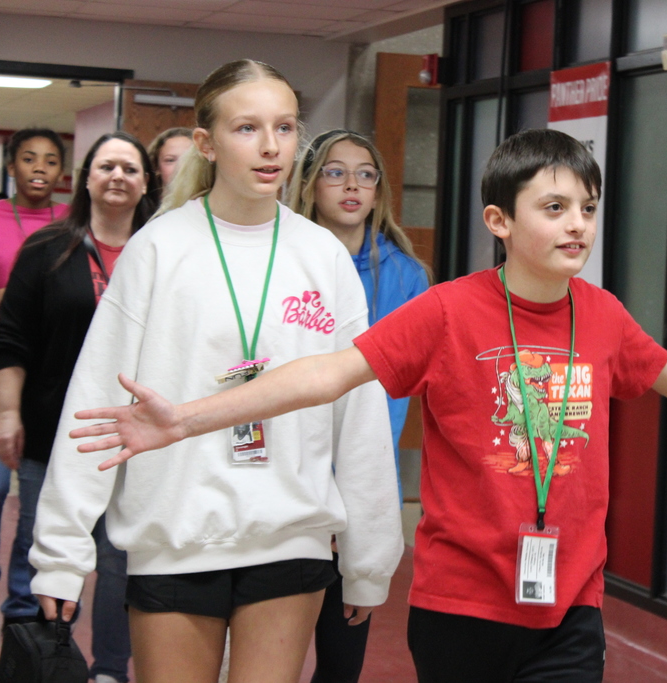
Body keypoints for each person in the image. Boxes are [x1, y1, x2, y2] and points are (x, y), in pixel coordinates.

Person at [69, 129, 667, 682]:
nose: (578, 225)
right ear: (499, 222)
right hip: (462, 600)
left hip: (570, 601)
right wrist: (190, 418)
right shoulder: (446, 312)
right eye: (556, 206)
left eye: (588, 209)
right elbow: (328, 374)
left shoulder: (600, 314)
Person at [28, 60, 403, 683]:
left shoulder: (323, 257)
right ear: (206, 142)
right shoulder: (158, 248)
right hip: (176, 536)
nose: (269, 147)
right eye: (246, 128)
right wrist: (62, 553)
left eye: (285, 128)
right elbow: (95, 403)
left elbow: (358, 414)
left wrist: (369, 556)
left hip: (291, 534)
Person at [0, 131, 157, 683]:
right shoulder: (48, 249)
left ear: (145, 183)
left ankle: (110, 669)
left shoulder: (160, 254)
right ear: (86, 178)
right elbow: (12, 340)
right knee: (43, 549)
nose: (118, 177)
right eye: (106, 166)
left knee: (117, 561)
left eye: (130, 169)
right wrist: (7, 413)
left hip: (132, 437)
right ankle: (38, 663)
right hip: (52, 430)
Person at [287, 130, 429, 683]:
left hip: (363, 485)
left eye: (365, 173)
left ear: (380, 190)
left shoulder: (407, 277)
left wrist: (353, 493)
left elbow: (396, 397)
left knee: (342, 655)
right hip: (291, 479)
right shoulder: (284, 261)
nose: (351, 185)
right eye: (335, 171)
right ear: (309, 184)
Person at [0, 128, 68, 632]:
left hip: (51, 368)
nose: (39, 168)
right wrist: (7, 298)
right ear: (13, 166)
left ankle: (25, 597)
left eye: (50, 160)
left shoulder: (73, 222)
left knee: (38, 490)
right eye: (29, 158)